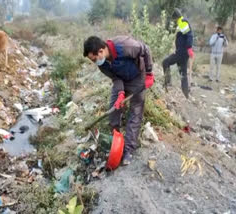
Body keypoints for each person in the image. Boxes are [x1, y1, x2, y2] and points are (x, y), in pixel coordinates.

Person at [83, 36, 154, 165]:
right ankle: (116, 139)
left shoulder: (125, 46)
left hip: (138, 77)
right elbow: (115, 78)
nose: (94, 62)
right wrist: (121, 93)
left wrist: (149, 73)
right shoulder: (103, 64)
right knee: (113, 109)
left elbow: (146, 50)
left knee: (136, 111)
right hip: (122, 80)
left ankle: (128, 150)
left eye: (94, 59)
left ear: (100, 51)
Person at [162, 8, 194, 98]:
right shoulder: (181, 23)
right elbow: (182, 37)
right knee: (183, 74)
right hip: (182, 52)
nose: (174, 21)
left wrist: (189, 47)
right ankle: (185, 94)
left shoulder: (183, 22)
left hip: (182, 53)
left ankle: (168, 83)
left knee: (165, 62)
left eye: (174, 19)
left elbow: (189, 35)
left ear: (176, 17)